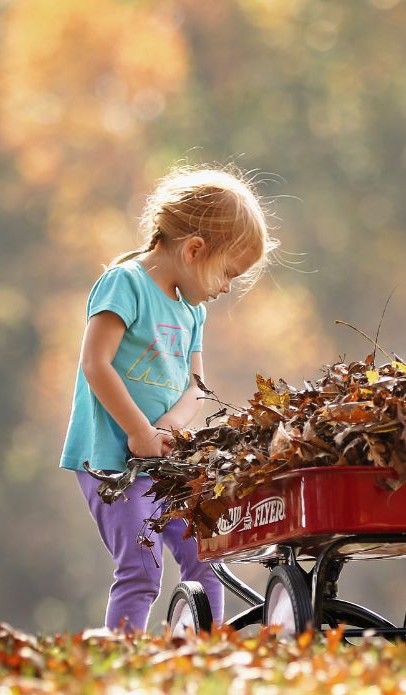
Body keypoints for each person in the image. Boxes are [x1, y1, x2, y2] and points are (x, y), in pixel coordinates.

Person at [60, 165, 276, 633]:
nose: (226, 288)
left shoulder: (191, 311)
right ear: (195, 249)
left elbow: (195, 385)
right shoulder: (126, 284)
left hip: (162, 462)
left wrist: (169, 431)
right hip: (110, 461)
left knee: (206, 553)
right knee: (141, 568)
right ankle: (125, 654)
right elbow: (95, 364)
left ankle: (206, 648)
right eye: (228, 273)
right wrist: (139, 432)